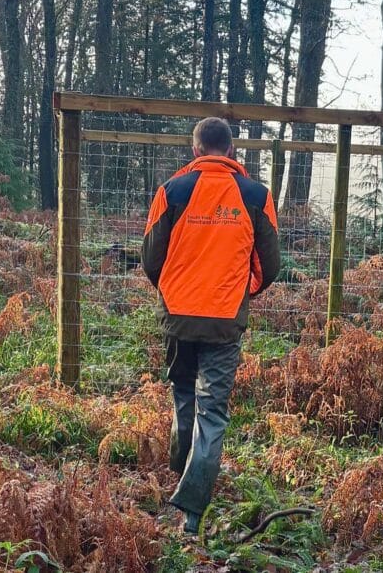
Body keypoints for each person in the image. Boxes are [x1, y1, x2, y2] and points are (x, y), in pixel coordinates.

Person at [141, 116, 281, 535]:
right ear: (233, 151)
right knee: (213, 413)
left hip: (179, 316)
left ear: (195, 149)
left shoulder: (171, 191)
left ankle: (178, 475)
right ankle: (192, 513)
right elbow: (269, 264)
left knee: (184, 393)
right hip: (224, 321)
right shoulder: (256, 195)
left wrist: (173, 292)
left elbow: (151, 257)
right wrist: (242, 291)